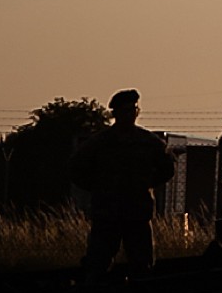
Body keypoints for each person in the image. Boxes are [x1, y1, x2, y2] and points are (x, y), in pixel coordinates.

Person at [71, 90, 175, 277]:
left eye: (133, 110)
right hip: (107, 214)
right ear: (115, 114)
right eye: (125, 111)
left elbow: (168, 168)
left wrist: (146, 184)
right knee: (97, 263)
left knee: (142, 265)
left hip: (137, 213)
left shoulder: (149, 142)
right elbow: (77, 169)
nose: (130, 115)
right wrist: (99, 189)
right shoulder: (99, 143)